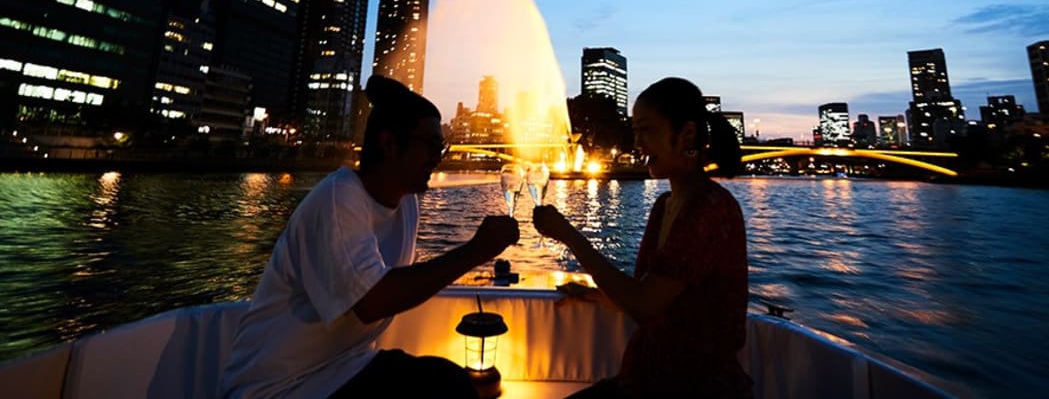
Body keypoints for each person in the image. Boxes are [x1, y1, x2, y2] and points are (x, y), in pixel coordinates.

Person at [220, 75, 519, 398]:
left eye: (442, 145)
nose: (439, 156)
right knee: (447, 388)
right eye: (432, 145)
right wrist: (476, 250)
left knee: (450, 382)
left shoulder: (405, 204)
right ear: (390, 144)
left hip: (345, 365)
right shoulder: (339, 198)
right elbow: (371, 301)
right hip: (278, 387)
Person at [533, 77, 752, 398]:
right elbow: (659, 299)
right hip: (644, 380)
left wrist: (569, 235)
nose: (637, 142)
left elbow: (644, 305)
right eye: (635, 130)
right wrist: (597, 295)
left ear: (686, 135)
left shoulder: (712, 209)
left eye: (646, 130)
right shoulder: (665, 205)